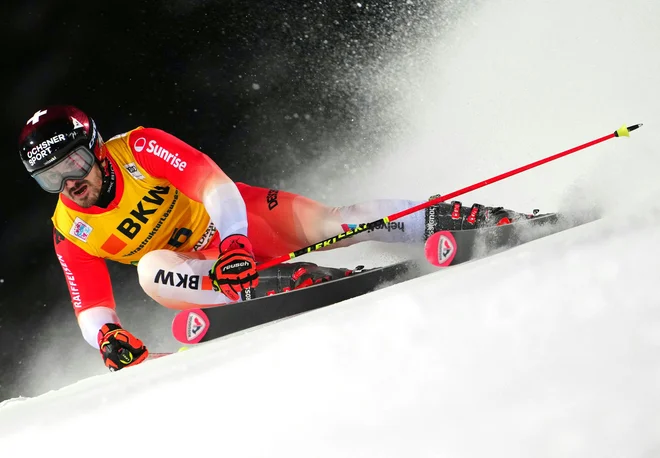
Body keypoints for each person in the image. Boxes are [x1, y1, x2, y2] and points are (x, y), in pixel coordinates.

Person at [18, 105, 533, 371]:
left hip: (243, 226)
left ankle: (460, 218)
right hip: (203, 270)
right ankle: (281, 283)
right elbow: (90, 305)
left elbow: (214, 184)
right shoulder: (70, 229)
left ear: (97, 150)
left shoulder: (139, 149)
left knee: (339, 222)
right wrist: (108, 339)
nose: (71, 185)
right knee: (152, 271)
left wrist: (237, 242)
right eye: (51, 180)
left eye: (77, 164)